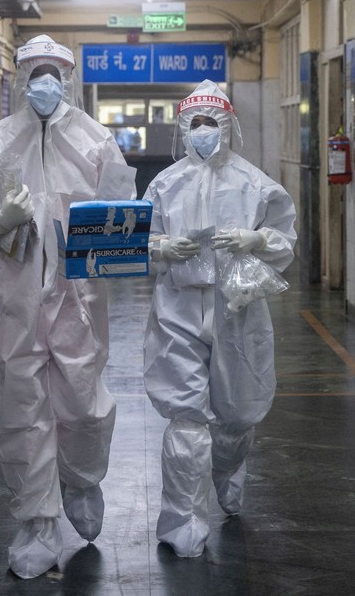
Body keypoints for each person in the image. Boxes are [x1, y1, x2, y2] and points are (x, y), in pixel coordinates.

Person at [0, 35, 130, 579]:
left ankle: (80, 480)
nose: (44, 83)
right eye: (35, 73)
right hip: (16, 295)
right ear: (21, 78)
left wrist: (123, 249)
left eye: (54, 72)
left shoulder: (97, 142)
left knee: (82, 401)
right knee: (23, 408)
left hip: (78, 296)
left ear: (68, 78)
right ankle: (36, 521)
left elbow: (121, 213)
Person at [142, 80, 297, 558]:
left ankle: (228, 475)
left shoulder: (256, 183)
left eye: (212, 123)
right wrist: (161, 248)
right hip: (178, 309)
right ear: (183, 127)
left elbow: (285, 240)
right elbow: (138, 242)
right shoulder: (164, 185)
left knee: (236, 415)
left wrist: (258, 241)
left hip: (238, 309)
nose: (203, 131)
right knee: (186, 416)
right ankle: (184, 520)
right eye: (196, 123)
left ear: (227, 125)